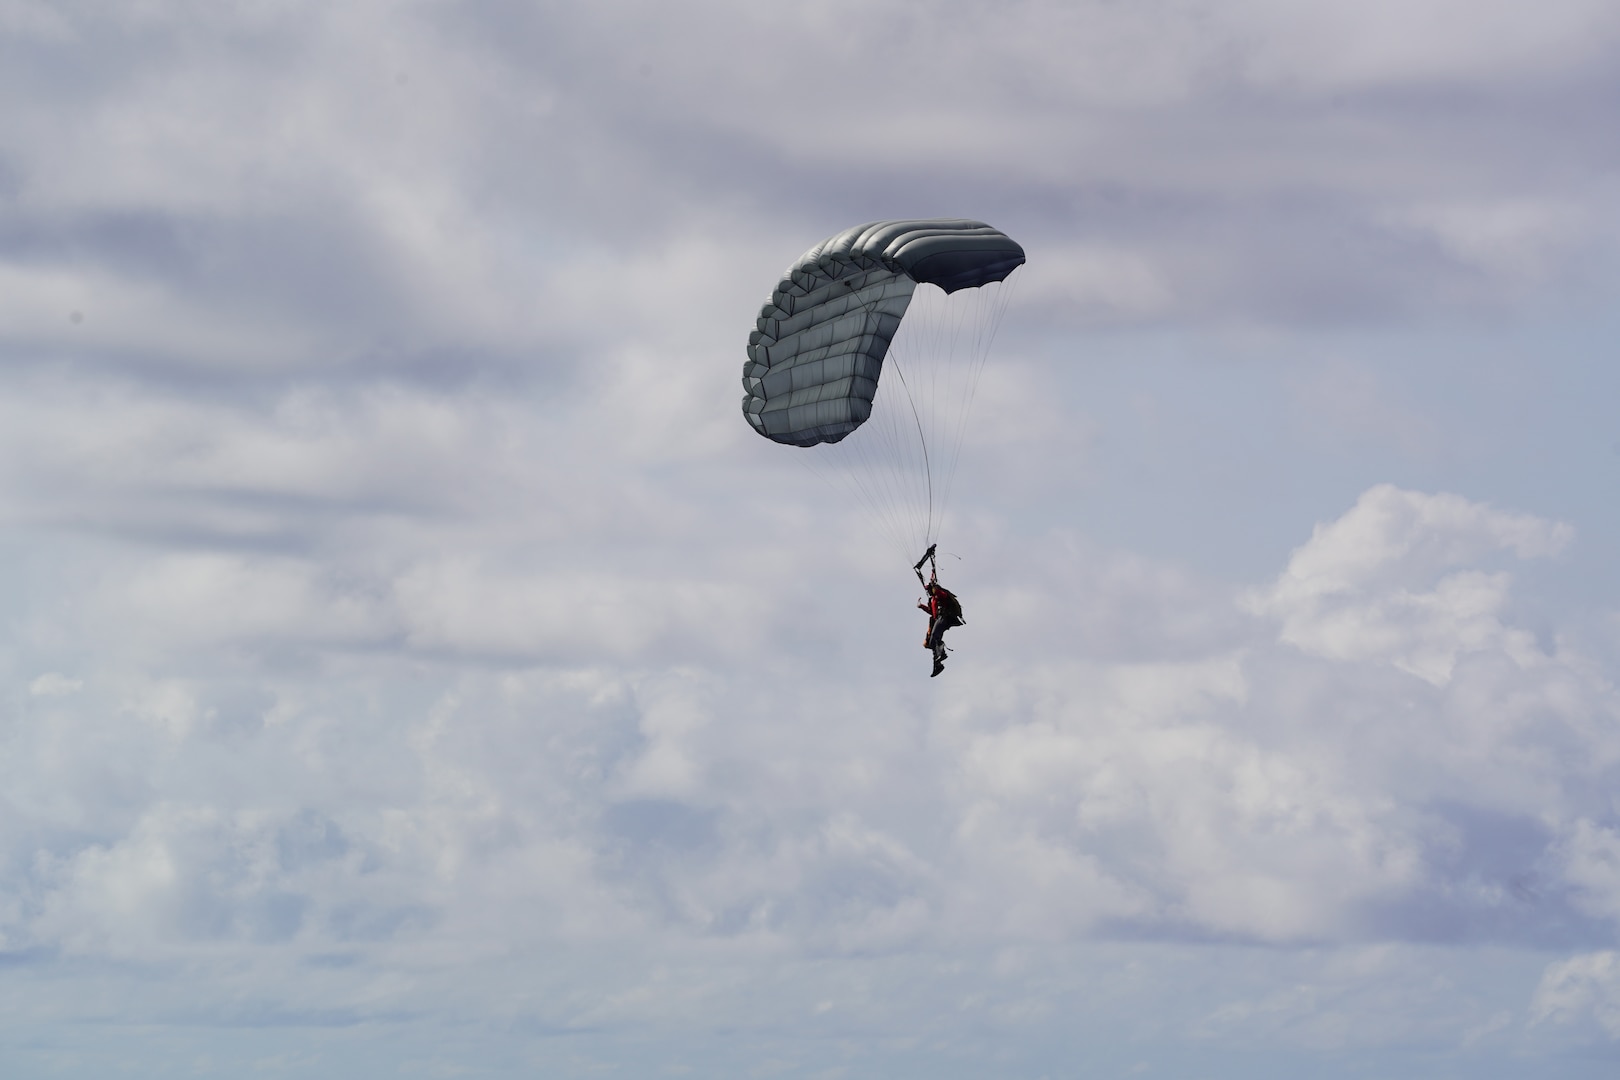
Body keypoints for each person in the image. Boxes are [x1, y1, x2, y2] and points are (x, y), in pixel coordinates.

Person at [914, 545, 964, 677]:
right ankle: (938, 664)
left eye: (929, 589)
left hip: (946, 617)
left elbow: (938, 591)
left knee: (935, 636)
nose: (928, 591)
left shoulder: (939, 594)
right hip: (940, 618)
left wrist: (933, 580)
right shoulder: (933, 600)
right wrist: (922, 606)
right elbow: (932, 612)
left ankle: (941, 654)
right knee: (931, 643)